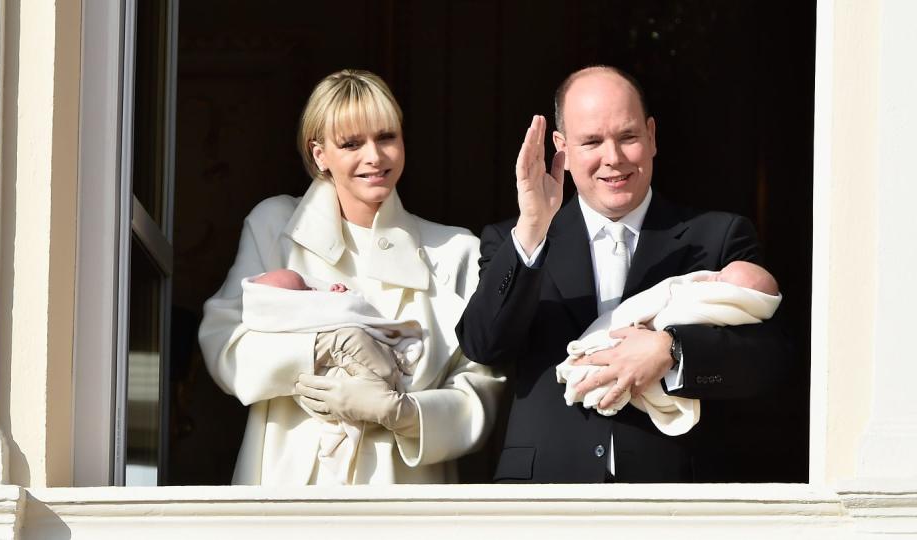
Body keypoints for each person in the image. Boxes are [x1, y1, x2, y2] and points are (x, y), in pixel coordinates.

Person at [456, 65, 792, 483]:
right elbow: (484, 344)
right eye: (592, 141)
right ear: (561, 147)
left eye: (628, 136)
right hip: (546, 491)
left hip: (677, 492)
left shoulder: (719, 236)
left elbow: (769, 361)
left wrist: (672, 351)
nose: (613, 158)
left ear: (651, 136)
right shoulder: (513, 239)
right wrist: (531, 230)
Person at [199, 69, 504, 486]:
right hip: (286, 492)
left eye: (386, 137)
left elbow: (479, 389)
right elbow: (224, 344)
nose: (374, 157)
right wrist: (319, 347)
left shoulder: (455, 251)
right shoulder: (274, 226)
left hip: (401, 498)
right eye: (351, 143)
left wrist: (402, 412)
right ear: (319, 153)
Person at [557, 261, 782, 437]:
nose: (713, 276)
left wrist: (669, 346)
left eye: (721, 277)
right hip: (557, 452)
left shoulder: (726, 234)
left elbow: (765, 351)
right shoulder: (537, 233)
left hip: (671, 459)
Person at [245, 268, 424, 484]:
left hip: (396, 469)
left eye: (308, 286)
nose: (312, 290)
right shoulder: (268, 241)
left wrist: (409, 416)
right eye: (303, 290)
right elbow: (229, 343)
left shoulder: (461, 252)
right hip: (297, 461)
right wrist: (317, 346)